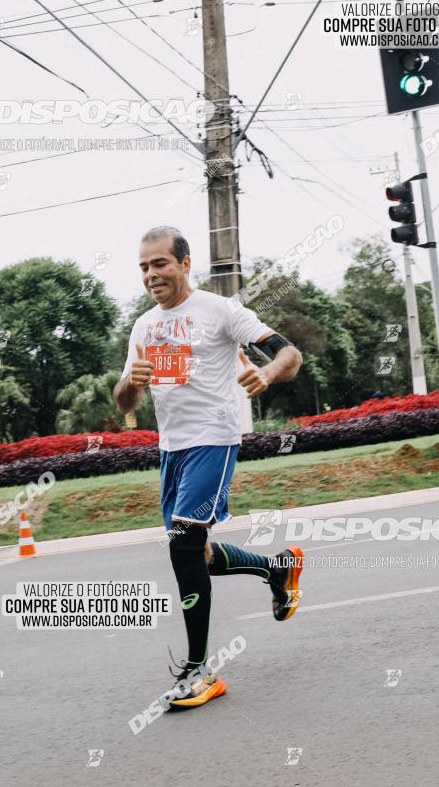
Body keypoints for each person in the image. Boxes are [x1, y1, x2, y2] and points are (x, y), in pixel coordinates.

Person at [114, 226, 304, 710]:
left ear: (184, 263)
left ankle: (200, 671)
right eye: (143, 267)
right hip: (172, 449)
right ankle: (276, 569)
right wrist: (131, 386)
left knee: (182, 542)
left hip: (214, 440)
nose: (151, 275)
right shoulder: (144, 327)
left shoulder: (219, 311)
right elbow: (123, 401)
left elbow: (290, 354)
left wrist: (265, 371)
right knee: (194, 552)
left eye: (160, 264)